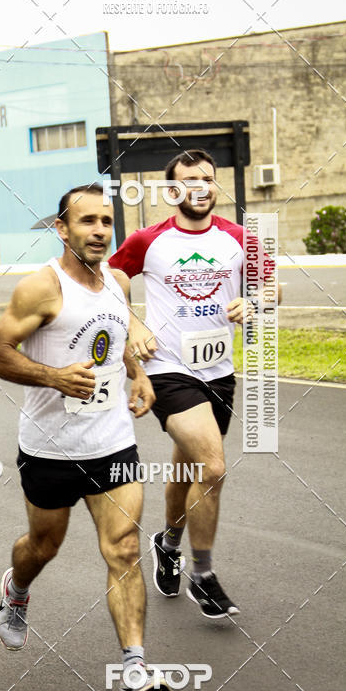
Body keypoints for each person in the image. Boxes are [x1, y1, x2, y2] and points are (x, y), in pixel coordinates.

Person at [0, 183, 172, 691]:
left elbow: (112, 340)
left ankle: (134, 670)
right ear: (62, 229)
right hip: (49, 449)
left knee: (125, 549)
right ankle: (17, 589)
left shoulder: (117, 282)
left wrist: (138, 375)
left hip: (112, 443)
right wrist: (53, 377)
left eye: (106, 221)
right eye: (87, 221)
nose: (99, 230)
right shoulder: (40, 289)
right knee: (43, 546)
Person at [109, 150, 281, 619]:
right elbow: (110, 278)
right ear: (172, 191)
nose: (199, 187)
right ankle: (203, 575)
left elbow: (274, 287)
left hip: (219, 372)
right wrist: (133, 323)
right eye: (189, 180)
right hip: (168, 369)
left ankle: (168, 543)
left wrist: (256, 301)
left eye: (207, 178)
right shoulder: (149, 240)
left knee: (188, 468)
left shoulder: (238, 238)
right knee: (213, 467)